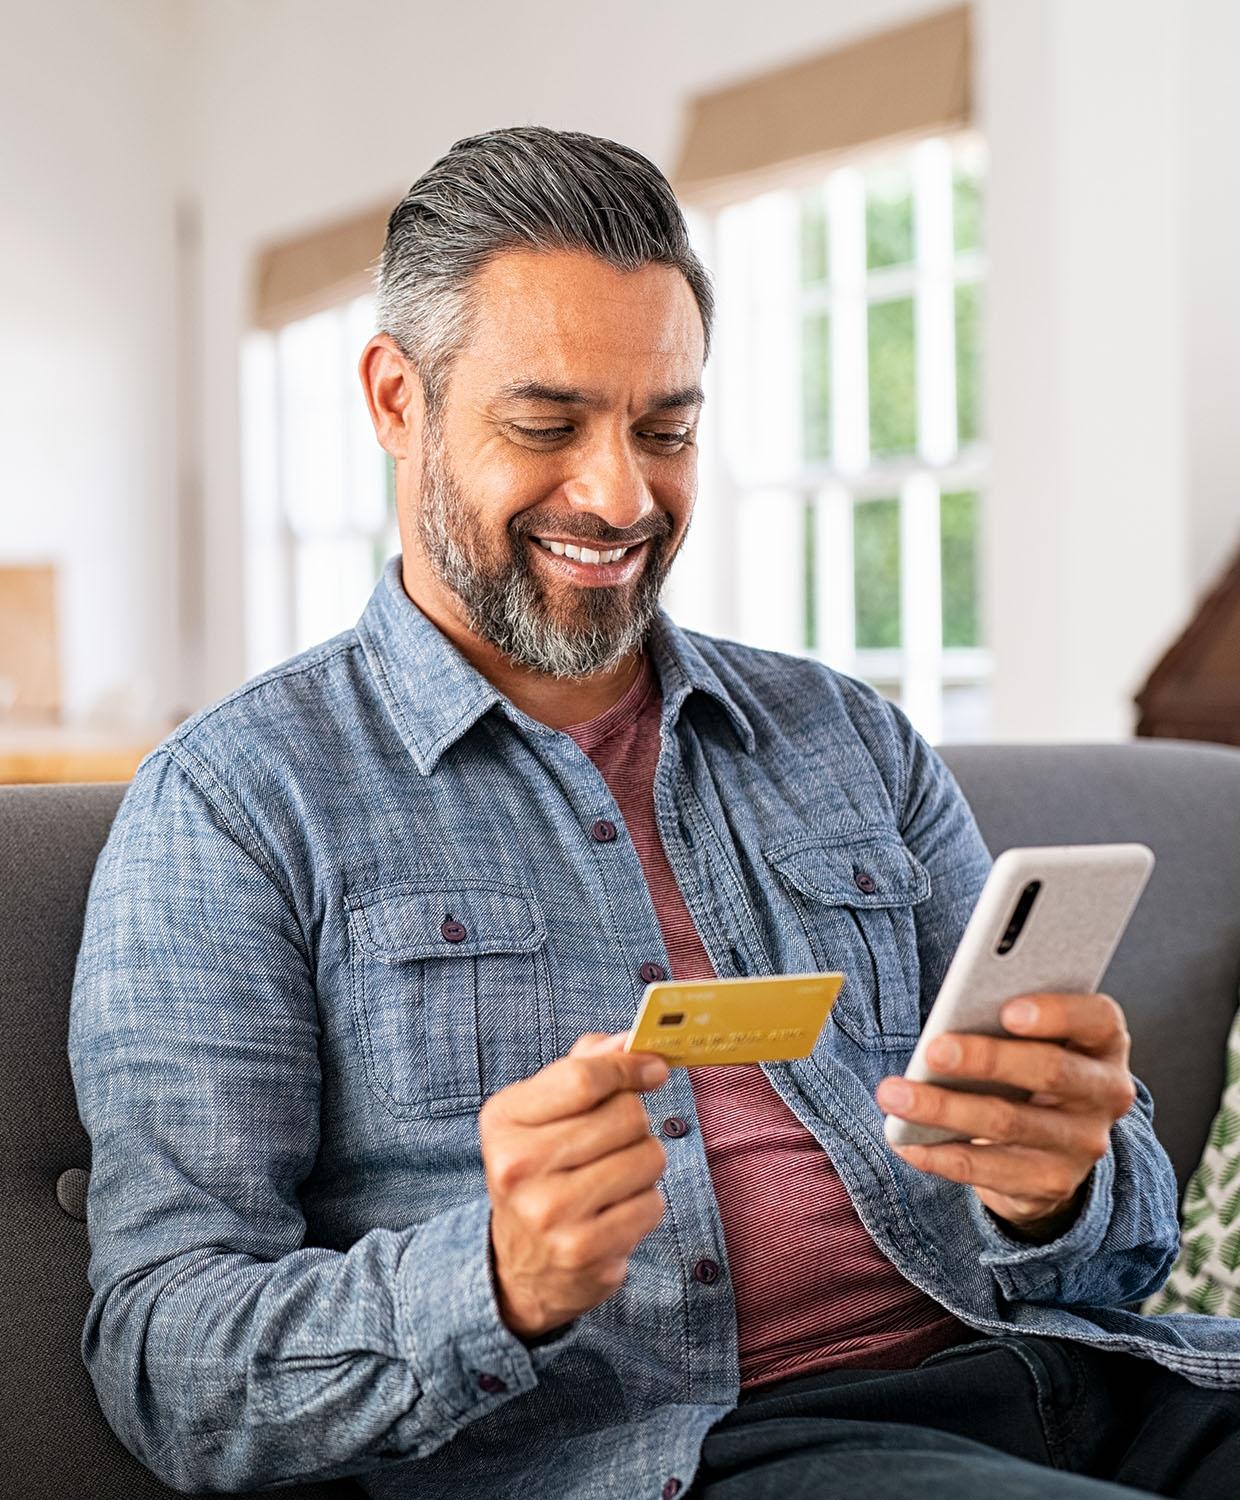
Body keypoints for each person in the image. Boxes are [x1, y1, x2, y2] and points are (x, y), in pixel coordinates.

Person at [69, 127, 1240, 1500]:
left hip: (1083, 1371)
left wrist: (1061, 1183)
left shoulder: (847, 737)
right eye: (547, 423)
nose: (622, 497)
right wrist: (492, 1280)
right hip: (698, 1452)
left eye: (666, 429)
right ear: (397, 399)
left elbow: (1118, 1251)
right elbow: (165, 1363)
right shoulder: (236, 802)